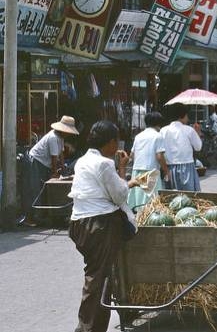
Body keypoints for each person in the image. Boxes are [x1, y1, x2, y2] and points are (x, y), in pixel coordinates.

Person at [68, 120, 140, 332]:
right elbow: (119, 196)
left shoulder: (82, 160)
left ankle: (99, 324)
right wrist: (123, 167)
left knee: (101, 275)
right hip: (98, 225)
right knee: (97, 278)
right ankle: (87, 328)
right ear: (109, 142)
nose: (117, 146)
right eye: (116, 142)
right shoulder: (104, 163)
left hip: (79, 224)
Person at [21, 115, 79, 226]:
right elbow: (54, 158)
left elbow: (60, 154)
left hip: (43, 163)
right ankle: (29, 218)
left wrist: (63, 168)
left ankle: (40, 215)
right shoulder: (53, 137)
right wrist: (55, 173)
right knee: (34, 190)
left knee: (41, 189)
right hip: (36, 162)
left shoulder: (60, 138)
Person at [128, 112, 169, 212]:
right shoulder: (157, 136)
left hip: (137, 170)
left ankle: (138, 220)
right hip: (151, 171)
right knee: (150, 202)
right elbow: (159, 156)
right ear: (159, 124)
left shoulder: (138, 136)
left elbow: (132, 155)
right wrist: (166, 171)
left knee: (138, 199)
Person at [161, 103, 202, 191]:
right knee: (189, 195)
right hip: (186, 166)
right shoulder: (189, 130)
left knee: (171, 196)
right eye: (186, 115)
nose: (187, 118)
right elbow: (198, 147)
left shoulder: (163, 130)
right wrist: (198, 133)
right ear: (182, 116)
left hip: (169, 167)